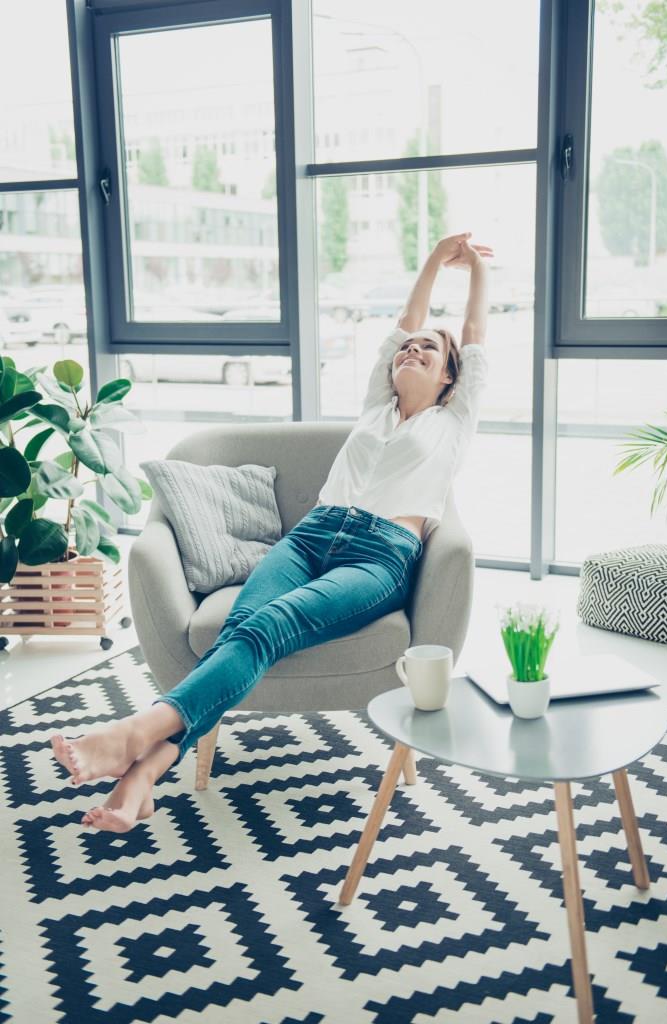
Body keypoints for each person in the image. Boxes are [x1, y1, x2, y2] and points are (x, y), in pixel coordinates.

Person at [50, 230, 493, 832]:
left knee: (272, 624)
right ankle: (143, 775)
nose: (412, 349)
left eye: (428, 351)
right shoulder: (375, 406)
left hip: (379, 556)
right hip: (310, 537)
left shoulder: (454, 421)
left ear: (449, 378)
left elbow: (475, 336)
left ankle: (134, 734)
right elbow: (404, 321)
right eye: (406, 347)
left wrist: (468, 272)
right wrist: (431, 260)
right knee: (241, 628)